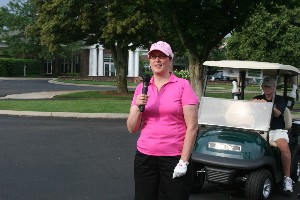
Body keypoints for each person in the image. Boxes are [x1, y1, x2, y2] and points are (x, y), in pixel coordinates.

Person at [127, 41, 199, 200]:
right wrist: (138, 106)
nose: (157, 60)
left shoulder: (183, 86)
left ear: (170, 60)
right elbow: (132, 128)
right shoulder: (142, 88)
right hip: (145, 158)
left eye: (161, 56)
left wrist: (184, 161)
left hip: (174, 158)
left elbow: (192, 127)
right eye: (153, 57)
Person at [252, 76, 294, 193]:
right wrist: (253, 103)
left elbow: (277, 114)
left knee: (283, 145)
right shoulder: (258, 98)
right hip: (259, 129)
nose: (267, 88)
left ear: (274, 87)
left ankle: (287, 178)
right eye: (265, 86)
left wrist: (267, 105)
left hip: (276, 130)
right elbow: (248, 107)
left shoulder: (280, 99)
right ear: (262, 87)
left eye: (270, 86)